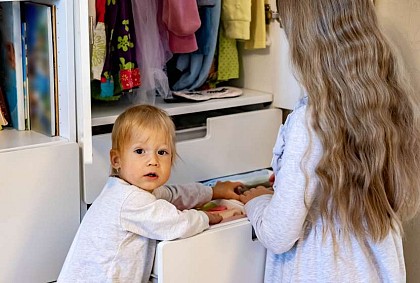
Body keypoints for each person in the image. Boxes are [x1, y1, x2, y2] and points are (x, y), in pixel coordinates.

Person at [239, 0, 420, 282]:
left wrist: (257, 202)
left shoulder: (308, 122)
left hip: (321, 269)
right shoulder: (387, 103)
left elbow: (278, 234)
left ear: (305, 39)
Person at [58, 105, 242, 283]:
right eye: (140, 151)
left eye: (162, 152)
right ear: (116, 160)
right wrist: (206, 217)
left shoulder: (128, 189)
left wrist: (212, 191)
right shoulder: (130, 200)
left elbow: (173, 194)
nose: (153, 161)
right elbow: (176, 224)